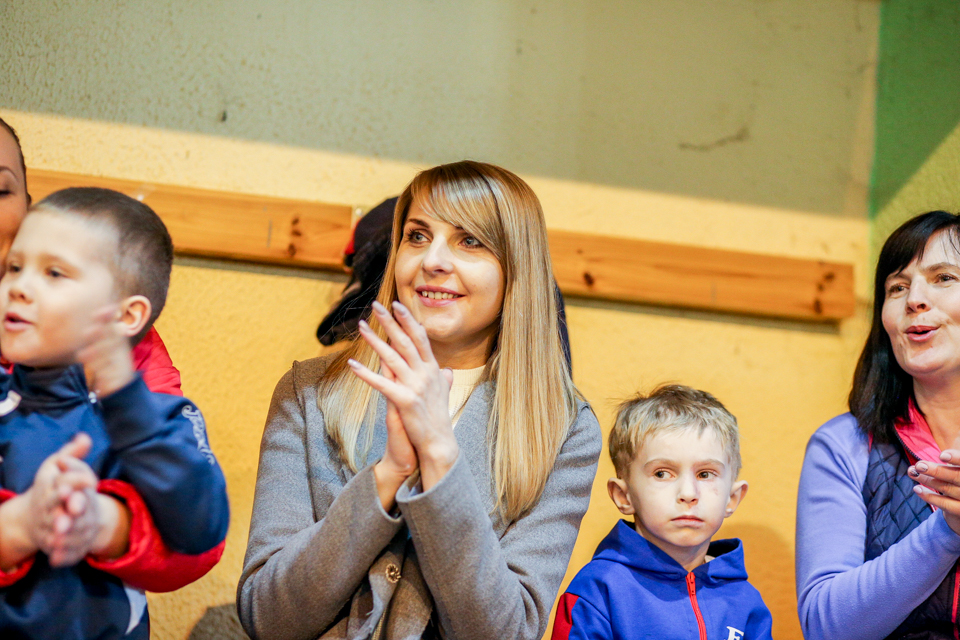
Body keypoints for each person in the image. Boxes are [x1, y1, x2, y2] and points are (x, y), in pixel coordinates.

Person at [239, 160, 602, 640]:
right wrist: (389, 474)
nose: (433, 260)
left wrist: (440, 459)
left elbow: (507, 632)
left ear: (517, 268)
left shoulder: (564, 427)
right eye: (417, 236)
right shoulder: (308, 392)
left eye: (469, 240)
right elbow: (267, 617)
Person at [0, 187, 230, 639]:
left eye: (54, 272)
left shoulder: (160, 418)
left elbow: (202, 528)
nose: (18, 288)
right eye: (14, 267)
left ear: (127, 317)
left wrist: (104, 522)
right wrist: (20, 526)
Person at [797, 210, 960, 640]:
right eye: (897, 287)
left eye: (944, 278)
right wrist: (948, 528)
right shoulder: (843, 445)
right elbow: (826, 627)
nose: (914, 299)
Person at [552, 384, 772, 640]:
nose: (688, 493)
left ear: (732, 499)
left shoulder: (747, 603)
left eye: (705, 474)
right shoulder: (597, 591)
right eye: (662, 473)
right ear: (623, 496)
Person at [0, 116, 182, 395]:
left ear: (27, 204)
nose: (20, 289)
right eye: (16, 269)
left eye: (0, 190)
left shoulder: (106, 332)